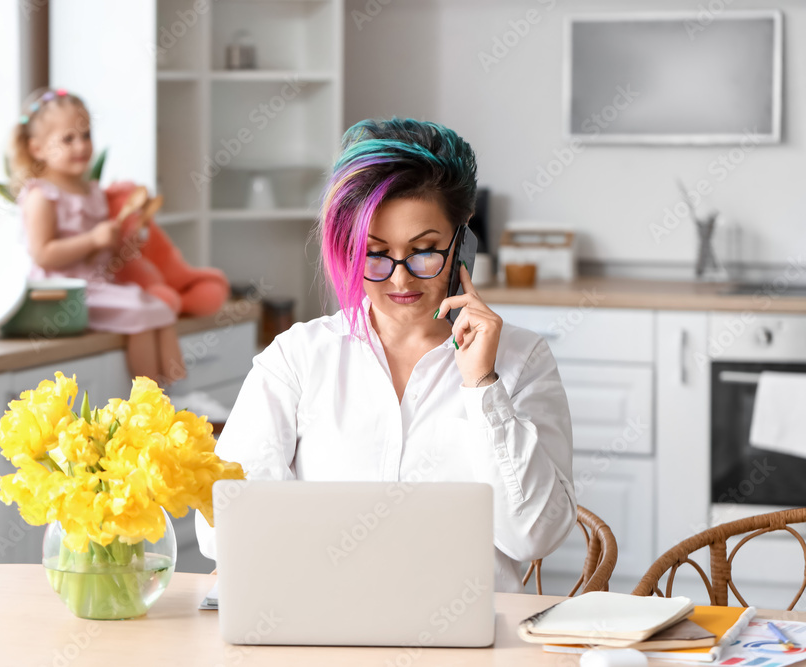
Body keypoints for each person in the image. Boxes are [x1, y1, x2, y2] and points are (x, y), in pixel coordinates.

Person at [195, 118, 576, 592]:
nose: (400, 280)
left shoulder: (523, 361)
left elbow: (533, 537)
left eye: (425, 251)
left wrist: (483, 389)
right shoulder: (297, 358)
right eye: (375, 253)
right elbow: (224, 528)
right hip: (319, 639)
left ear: (464, 243)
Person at [9, 88, 185, 385]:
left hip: (96, 286)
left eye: (86, 135)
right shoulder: (41, 195)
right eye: (68, 139)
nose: (81, 146)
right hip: (62, 295)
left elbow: (97, 256)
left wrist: (120, 241)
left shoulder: (92, 192)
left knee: (160, 309)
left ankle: (178, 393)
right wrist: (92, 239)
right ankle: (150, 404)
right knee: (141, 313)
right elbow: (42, 254)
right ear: (37, 149)